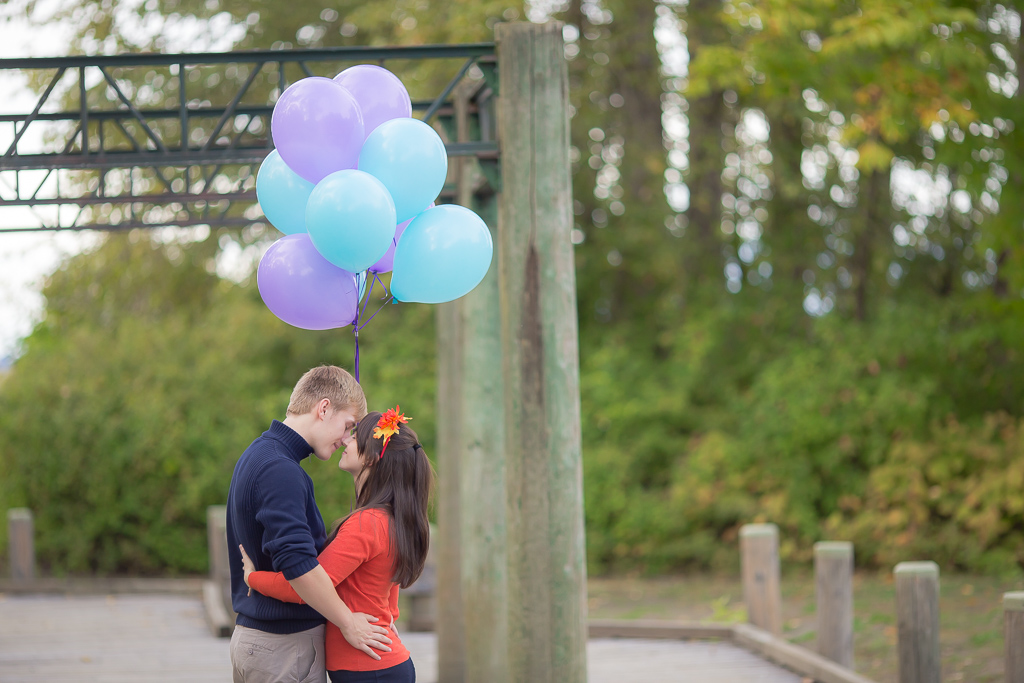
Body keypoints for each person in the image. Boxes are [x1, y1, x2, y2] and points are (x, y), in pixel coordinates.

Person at [240, 406, 433, 683]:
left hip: (369, 670)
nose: (345, 440)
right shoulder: (391, 519)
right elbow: (388, 599)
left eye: (354, 437)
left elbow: (303, 585)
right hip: (382, 664)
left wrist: (251, 576)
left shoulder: (367, 524)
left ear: (371, 458)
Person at [226, 366, 393, 683]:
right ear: (324, 408)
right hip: (283, 648)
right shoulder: (280, 469)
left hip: (264, 644)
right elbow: (296, 563)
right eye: (348, 426)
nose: (346, 439)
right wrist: (348, 622)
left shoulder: (260, 453)